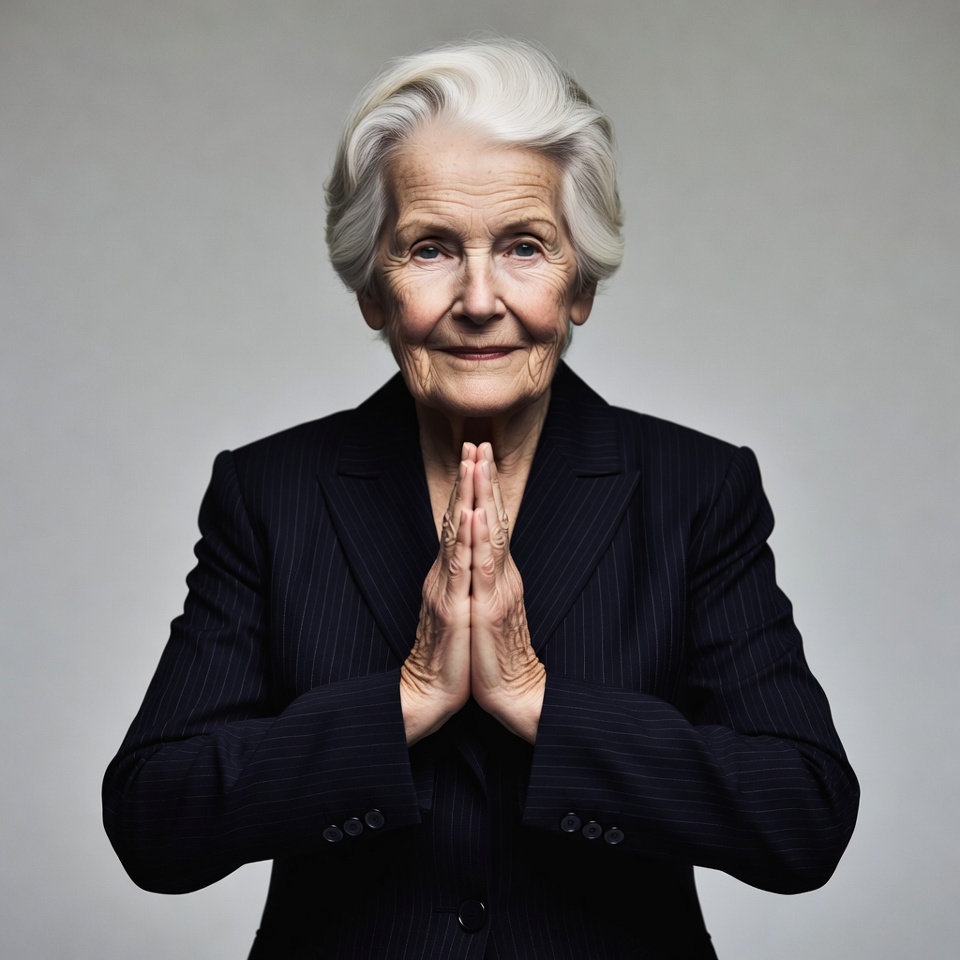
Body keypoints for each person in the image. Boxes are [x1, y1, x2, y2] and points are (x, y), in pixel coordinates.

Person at [103, 38, 859, 959]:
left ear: (579, 285)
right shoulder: (270, 494)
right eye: (430, 248)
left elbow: (804, 813)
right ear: (372, 289)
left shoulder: (696, 491)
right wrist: (405, 702)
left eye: (524, 247)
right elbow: (153, 818)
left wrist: (539, 702)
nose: (478, 299)